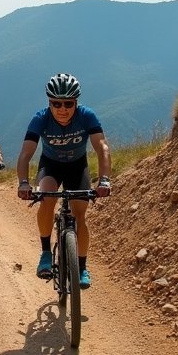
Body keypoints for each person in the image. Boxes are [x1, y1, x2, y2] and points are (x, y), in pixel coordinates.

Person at [15, 73, 112, 289]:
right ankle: (46, 253)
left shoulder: (86, 116)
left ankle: (82, 267)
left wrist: (104, 180)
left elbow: (102, 147)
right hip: (50, 166)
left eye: (68, 103)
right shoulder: (40, 119)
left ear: (76, 102)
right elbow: (25, 154)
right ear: (49, 102)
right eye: (55, 103)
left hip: (78, 167)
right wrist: (23, 183)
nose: (62, 108)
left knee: (80, 214)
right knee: (47, 198)